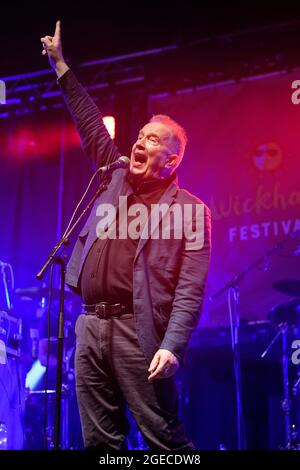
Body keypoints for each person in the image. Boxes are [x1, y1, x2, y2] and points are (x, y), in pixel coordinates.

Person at [40, 21, 211, 450]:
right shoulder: (112, 176)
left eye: (152, 140)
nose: (139, 142)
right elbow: (91, 122)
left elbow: (190, 290)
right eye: (140, 136)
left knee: (164, 443)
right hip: (90, 326)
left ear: (170, 161)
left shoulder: (190, 210)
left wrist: (172, 347)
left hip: (140, 333)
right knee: (100, 444)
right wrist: (61, 66)